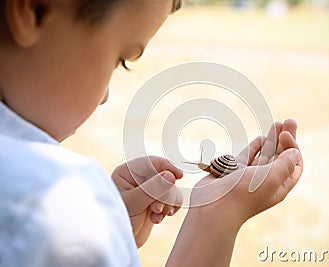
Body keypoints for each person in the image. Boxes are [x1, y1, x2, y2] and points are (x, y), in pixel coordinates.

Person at [0, 0, 303, 266]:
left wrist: (110, 229)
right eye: (120, 58)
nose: (105, 95)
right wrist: (218, 216)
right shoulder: (54, 202)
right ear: (35, 11)